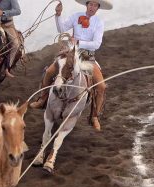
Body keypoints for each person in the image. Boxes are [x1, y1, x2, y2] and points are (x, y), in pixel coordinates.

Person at [30, 0, 113, 131]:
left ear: (98, 8)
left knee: (101, 86)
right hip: (70, 52)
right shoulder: (76, 16)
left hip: (87, 56)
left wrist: (79, 41)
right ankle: (43, 98)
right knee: (50, 71)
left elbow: (96, 44)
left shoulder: (99, 23)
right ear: (87, 5)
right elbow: (61, 28)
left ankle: (95, 115)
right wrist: (58, 15)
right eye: (90, 4)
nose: (92, 7)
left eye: (95, 5)